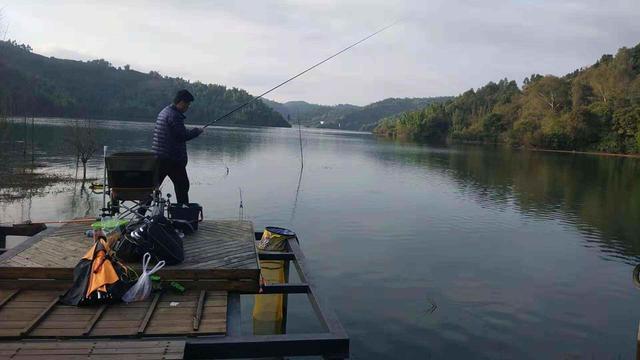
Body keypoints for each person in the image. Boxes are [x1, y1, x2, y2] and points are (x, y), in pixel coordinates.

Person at [152, 89, 203, 205]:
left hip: (159, 157)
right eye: (187, 104)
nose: (188, 107)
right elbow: (181, 136)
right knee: (182, 186)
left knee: (152, 188)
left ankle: (141, 215)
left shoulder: (165, 111)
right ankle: (183, 216)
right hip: (172, 159)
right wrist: (196, 131)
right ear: (181, 102)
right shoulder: (174, 116)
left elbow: (176, 133)